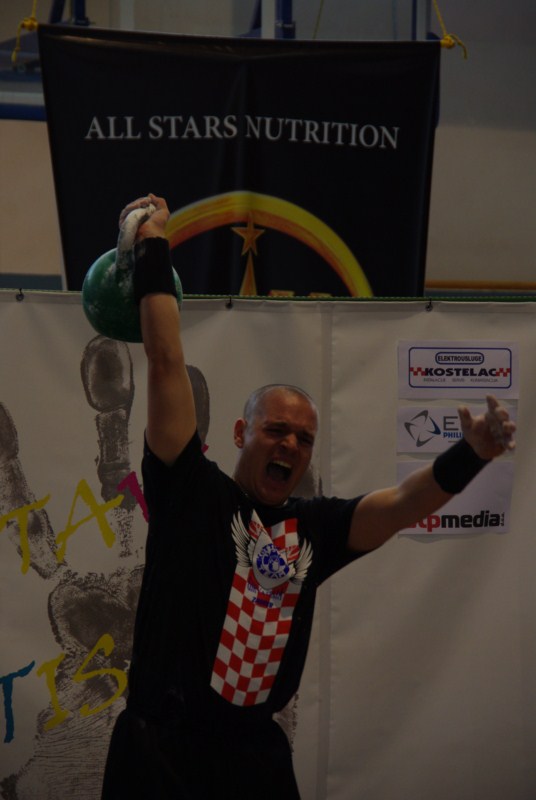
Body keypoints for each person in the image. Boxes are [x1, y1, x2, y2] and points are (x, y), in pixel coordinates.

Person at [101, 194, 516, 800]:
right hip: (161, 753)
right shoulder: (189, 489)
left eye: (304, 438)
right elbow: (166, 361)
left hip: (253, 759)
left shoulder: (314, 530)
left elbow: (403, 504)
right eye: (276, 430)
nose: (291, 445)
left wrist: (471, 454)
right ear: (240, 433)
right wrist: (152, 243)